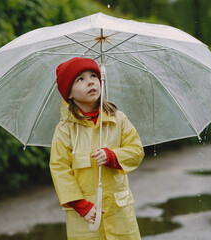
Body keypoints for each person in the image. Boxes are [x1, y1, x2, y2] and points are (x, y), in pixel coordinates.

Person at [50, 57, 145, 240]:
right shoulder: (65, 130)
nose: (90, 81)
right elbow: (59, 168)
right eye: (80, 79)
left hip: (119, 212)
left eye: (93, 75)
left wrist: (113, 156)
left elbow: (136, 150)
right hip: (86, 214)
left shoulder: (118, 119)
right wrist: (80, 205)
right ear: (69, 93)